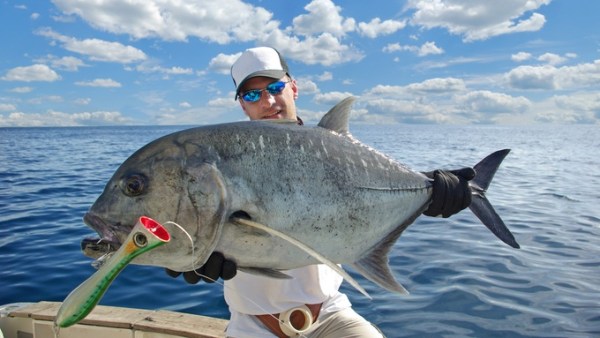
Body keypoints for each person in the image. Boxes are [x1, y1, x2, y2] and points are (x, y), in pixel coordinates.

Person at [167, 46, 475, 338]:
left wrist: (432, 193)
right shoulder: (228, 162)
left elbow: (380, 188)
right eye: (252, 94)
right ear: (242, 103)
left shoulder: (334, 152)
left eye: (275, 88)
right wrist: (184, 253)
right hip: (252, 326)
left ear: (293, 88)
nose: (268, 101)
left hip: (331, 316)